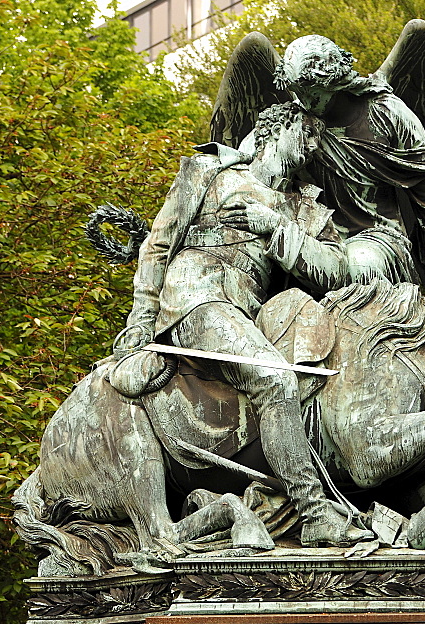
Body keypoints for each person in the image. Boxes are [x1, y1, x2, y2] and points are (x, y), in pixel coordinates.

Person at [114, 102, 371, 547]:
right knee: (276, 381)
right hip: (198, 298)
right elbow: (157, 245)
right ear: (283, 127)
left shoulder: (302, 209)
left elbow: (339, 269)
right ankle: (314, 513)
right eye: (307, 135)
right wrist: (140, 321)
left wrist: (275, 228)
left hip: (251, 314)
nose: (312, 148)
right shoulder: (212, 169)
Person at [265, 35, 425, 293]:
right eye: (298, 93)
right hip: (312, 238)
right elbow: (249, 174)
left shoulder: (387, 114)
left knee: (358, 268)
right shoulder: (291, 121)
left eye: (312, 94)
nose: (305, 102)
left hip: (377, 241)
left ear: (334, 82)